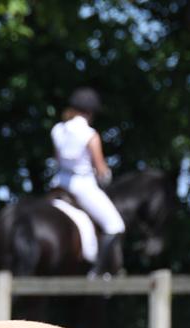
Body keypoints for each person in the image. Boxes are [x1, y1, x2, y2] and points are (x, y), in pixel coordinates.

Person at [51, 86, 126, 274]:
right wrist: (106, 175)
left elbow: (57, 159)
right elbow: (101, 170)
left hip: (59, 184)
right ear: (90, 112)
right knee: (115, 225)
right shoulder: (90, 134)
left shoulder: (58, 130)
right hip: (82, 186)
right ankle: (97, 272)